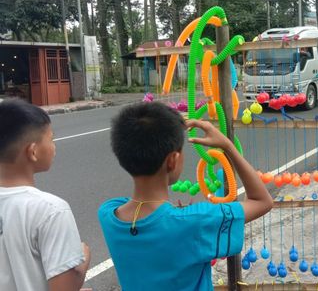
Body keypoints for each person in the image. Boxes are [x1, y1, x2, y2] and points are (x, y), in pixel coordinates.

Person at [98, 102, 273, 290]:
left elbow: (146, 212)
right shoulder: (194, 222)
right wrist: (228, 146)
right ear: (172, 160)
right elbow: (261, 201)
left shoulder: (108, 214)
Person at [0, 98, 91, 291]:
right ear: (33, 152)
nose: (54, 146)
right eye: (51, 139)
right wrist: (84, 259)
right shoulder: (51, 210)